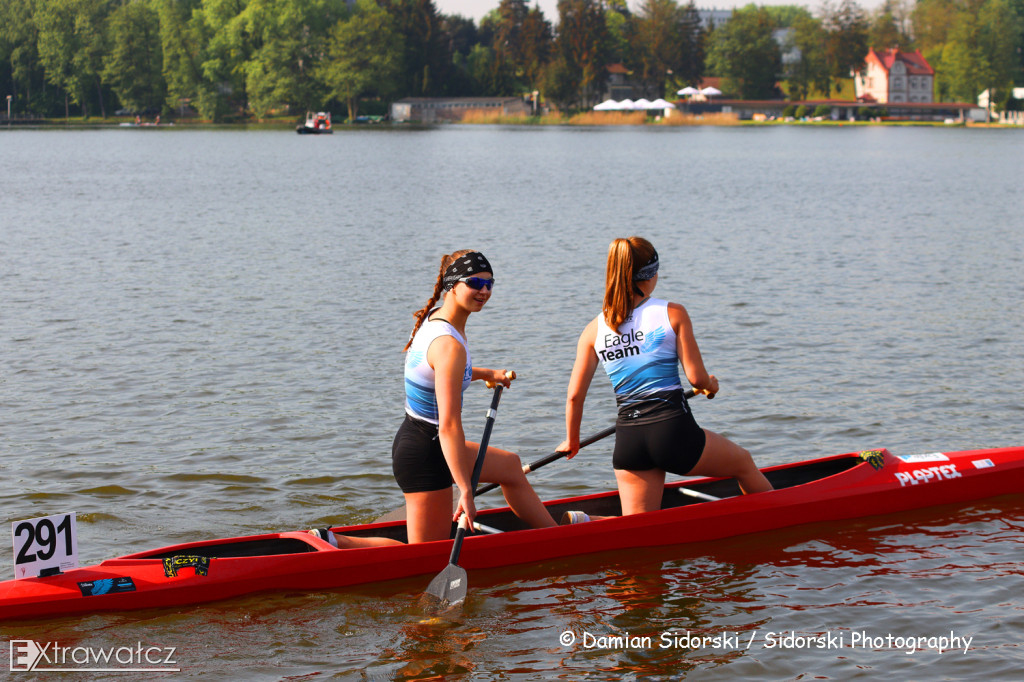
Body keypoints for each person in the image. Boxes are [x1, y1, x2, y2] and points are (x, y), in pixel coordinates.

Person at [312, 250, 556, 547]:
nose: (484, 291)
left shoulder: (435, 320)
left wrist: (488, 373)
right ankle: (335, 542)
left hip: (420, 439)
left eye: (490, 284)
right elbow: (450, 426)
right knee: (425, 555)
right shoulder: (450, 345)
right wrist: (465, 491)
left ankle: (556, 537)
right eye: (475, 282)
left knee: (510, 467)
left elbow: (441, 373)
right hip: (427, 453)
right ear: (452, 285)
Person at [556, 237, 772, 522]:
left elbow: (574, 396)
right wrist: (710, 385)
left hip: (630, 441)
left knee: (638, 526)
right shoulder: (672, 313)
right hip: (673, 433)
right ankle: (778, 518)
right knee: (743, 463)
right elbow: (696, 377)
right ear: (650, 275)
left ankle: (587, 522)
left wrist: (572, 439)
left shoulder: (593, 330)